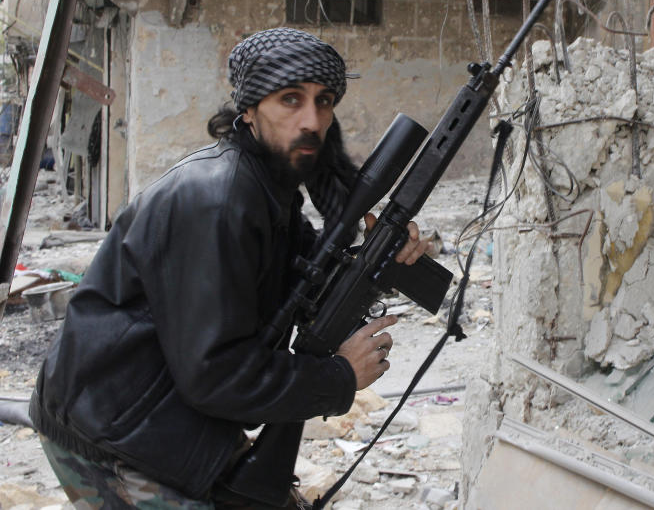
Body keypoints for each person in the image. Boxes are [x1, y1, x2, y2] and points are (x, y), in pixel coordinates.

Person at [29, 28, 429, 508]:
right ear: (249, 110)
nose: (312, 120)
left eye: (324, 102)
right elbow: (217, 375)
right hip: (114, 430)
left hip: (171, 408)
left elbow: (306, 280)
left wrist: (380, 252)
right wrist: (340, 377)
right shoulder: (217, 199)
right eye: (290, 99)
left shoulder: (267, 189)